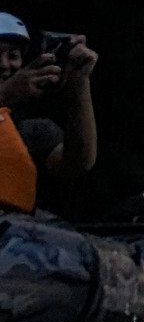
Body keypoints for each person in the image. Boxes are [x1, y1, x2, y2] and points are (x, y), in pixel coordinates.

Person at [0, 15, 97, 214]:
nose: (3, 64)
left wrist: (79, 83)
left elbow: (77, 163)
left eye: (12, 55)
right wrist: (4, 95)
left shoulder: (30, 131)